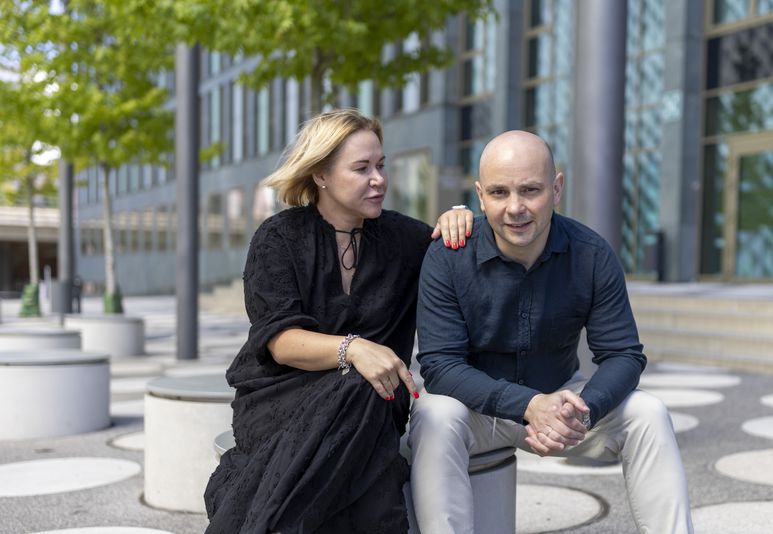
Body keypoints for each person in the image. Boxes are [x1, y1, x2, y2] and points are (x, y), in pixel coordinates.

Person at [409, 130, 693, 534]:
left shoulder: (591, 254)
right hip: (479, 409)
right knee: (433, 415)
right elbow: (439, 365)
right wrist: (528, 405)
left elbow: (624, 354)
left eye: (530, 190)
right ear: (480, 195)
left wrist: (584, 410)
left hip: (565, 402)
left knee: (648, 414)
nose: (515, 207)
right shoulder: (449, 255)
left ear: (557, 188)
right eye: (499, 192)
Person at [203, 108, 473, 534]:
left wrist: (458, 214)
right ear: (322, 175)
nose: (379, 179)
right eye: (362, 168)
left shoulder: (407, 240)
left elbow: (463, 256)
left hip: (373, 402)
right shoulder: (278, 238)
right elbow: (281, 341)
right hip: (280, 396)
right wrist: (355, 348)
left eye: (381, 165)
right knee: (365, 411)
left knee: (366, 391)